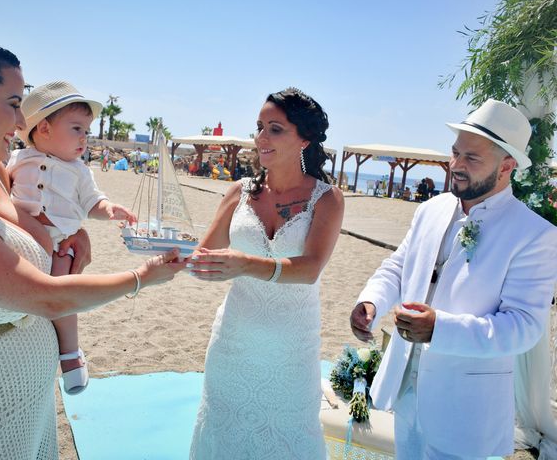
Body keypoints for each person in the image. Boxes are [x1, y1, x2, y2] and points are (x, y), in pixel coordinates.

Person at [0, 24, 183, 459]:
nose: (23, 122)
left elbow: (34, 221)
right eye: (15, 104)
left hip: (28, 387)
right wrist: (142, 277)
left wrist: (74, 230)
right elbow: (43, 297)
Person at [349, 99, 557, 460]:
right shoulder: (431, 209)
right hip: (404, 389)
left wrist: (439, 329)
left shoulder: (535, 234)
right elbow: (400, 266)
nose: (456, 165)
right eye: (455, 153)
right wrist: (371, 301)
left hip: (465, 408)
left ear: (507, 166)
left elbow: (523, 327)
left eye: (471, 158)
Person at [188, 87, 344, 459]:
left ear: (304, 138)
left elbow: (309, 269)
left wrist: (244, 263)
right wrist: (167, 247)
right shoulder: (237, 193)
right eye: (259, 127)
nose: (261, 138)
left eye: (275, 129)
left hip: (291, 349)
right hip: (233, 343)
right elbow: (202, 259)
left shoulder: (327, 199)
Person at [7, 81, 138, 395]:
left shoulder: (80, 171)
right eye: (77, 128)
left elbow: (93, 201)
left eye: (87, 131)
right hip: (22, 236)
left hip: (62, 242)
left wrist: (109, 209)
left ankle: (70, 355)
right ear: (44, 128)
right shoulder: (17, 159)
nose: (84, 138)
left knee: (63, 295)